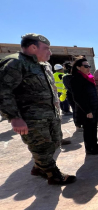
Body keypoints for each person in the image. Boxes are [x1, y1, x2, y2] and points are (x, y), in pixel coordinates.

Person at [0, 33, 76, 185]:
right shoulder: (15, 62)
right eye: (47, 48)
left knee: (54, 143)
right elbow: (3, 91)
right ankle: (53, 175)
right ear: (33, 47)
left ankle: (38, 167)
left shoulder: (44, 65)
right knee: (41, 146)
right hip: (32, 117)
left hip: (50, 114)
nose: (50, 52)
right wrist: (14, 117)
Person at [70, 58, 98, 155]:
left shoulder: (88, 77)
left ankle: (95, 144)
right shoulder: (77, 79)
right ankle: (89, 148)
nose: (88, 68)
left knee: (94, 127)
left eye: (89, 66)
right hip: (87, 109)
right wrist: (87, 111)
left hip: (94, 107)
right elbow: (77, 97)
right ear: (78, 67)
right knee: (88, 129)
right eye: (85, 66)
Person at [61, 60, 83, 132]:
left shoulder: (75, 76)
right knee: (76, 110)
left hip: (76, 95)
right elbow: (71, 88)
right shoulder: (67, 77)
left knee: (80, 110)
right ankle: (78, 126)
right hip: (73, 96)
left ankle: (80, 125)